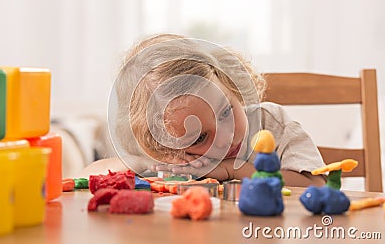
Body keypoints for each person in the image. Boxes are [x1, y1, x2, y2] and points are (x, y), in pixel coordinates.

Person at [80, 33, 326, 187]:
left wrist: (233, 170)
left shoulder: (271, 122)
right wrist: (152, 160)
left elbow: (317, 184)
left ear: (230, 85)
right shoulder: (175, 159)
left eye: (226, 112)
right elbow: (88, 175)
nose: (225, 135)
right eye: (199, 136)